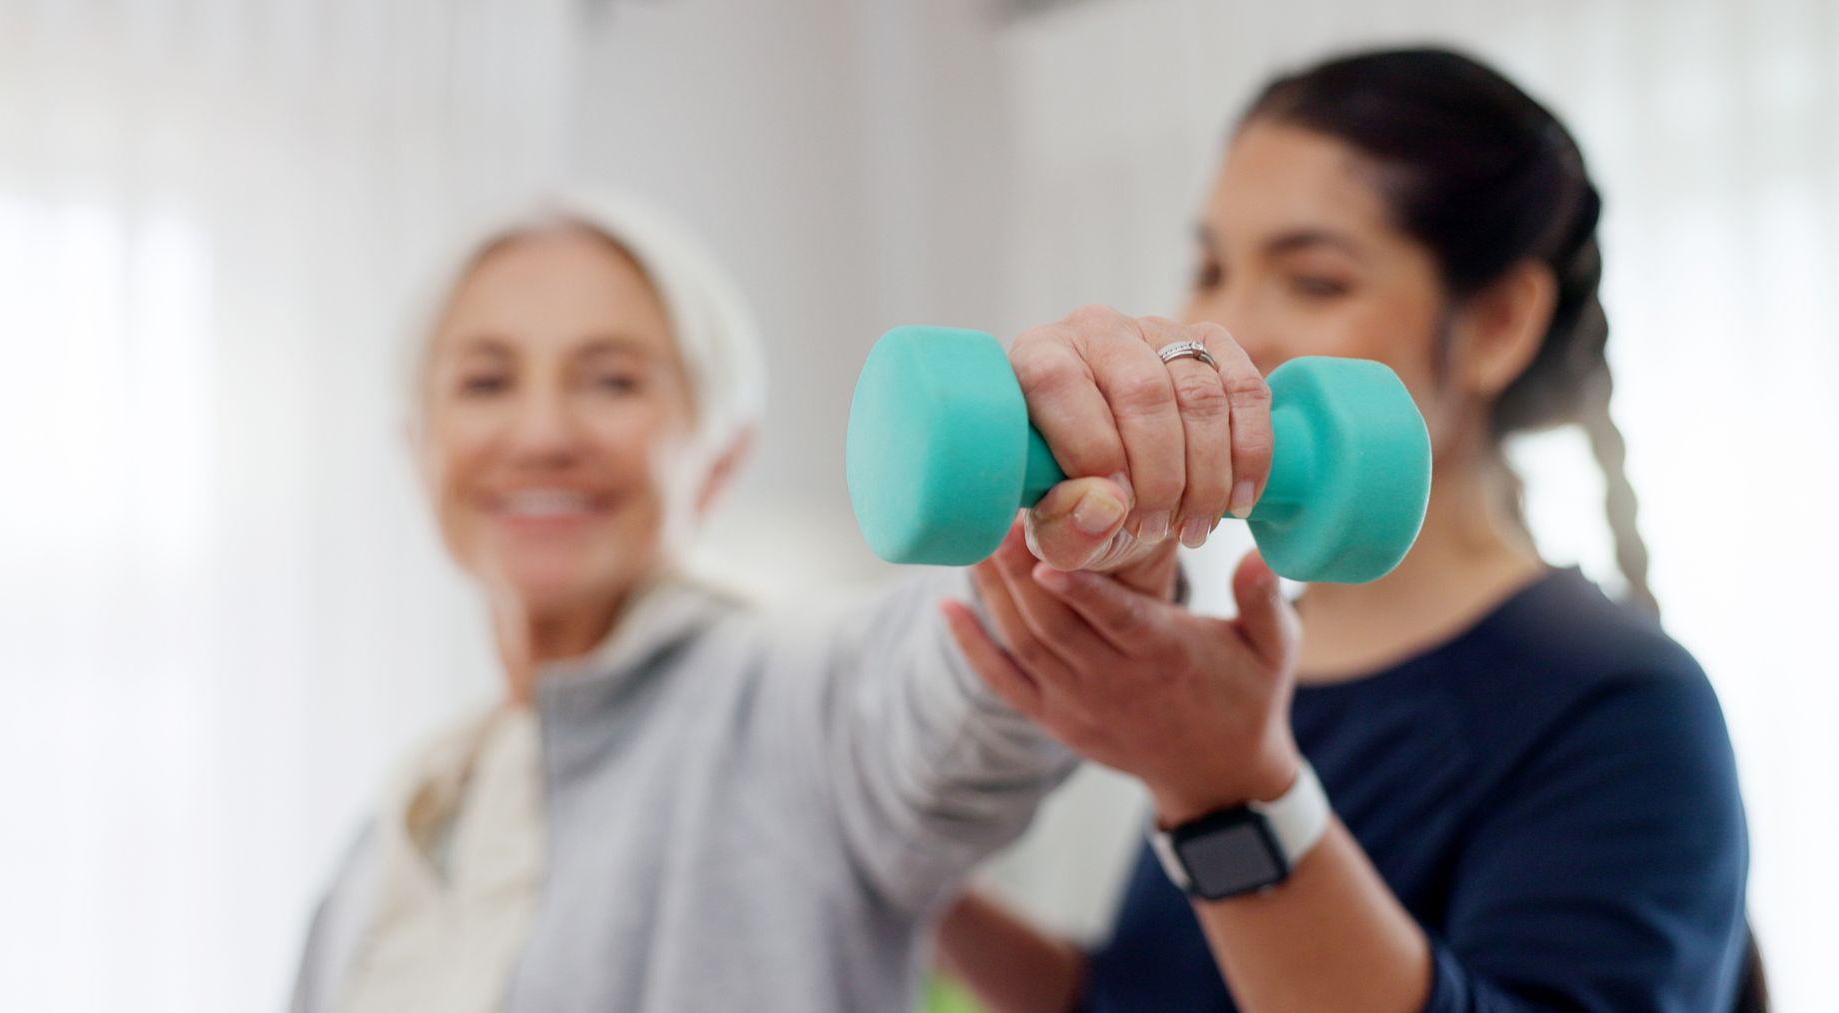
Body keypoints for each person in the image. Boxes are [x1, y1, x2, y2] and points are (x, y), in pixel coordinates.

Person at [286, 190, 1275, 1012]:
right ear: (419, 444)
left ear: (721, 453)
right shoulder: (395, 832)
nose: (542, 431)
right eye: (486, 380)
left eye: (613, 380)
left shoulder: (789, 695)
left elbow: (953, 684)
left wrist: (1084, 541)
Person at [934, 48, 1753, 1012]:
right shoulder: (1238, 667)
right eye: (1211, 267)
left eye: (1314, 281)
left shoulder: (1624, 703)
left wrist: (1228, 794)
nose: (1228, 339)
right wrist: (906, 881)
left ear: (1496, 324)